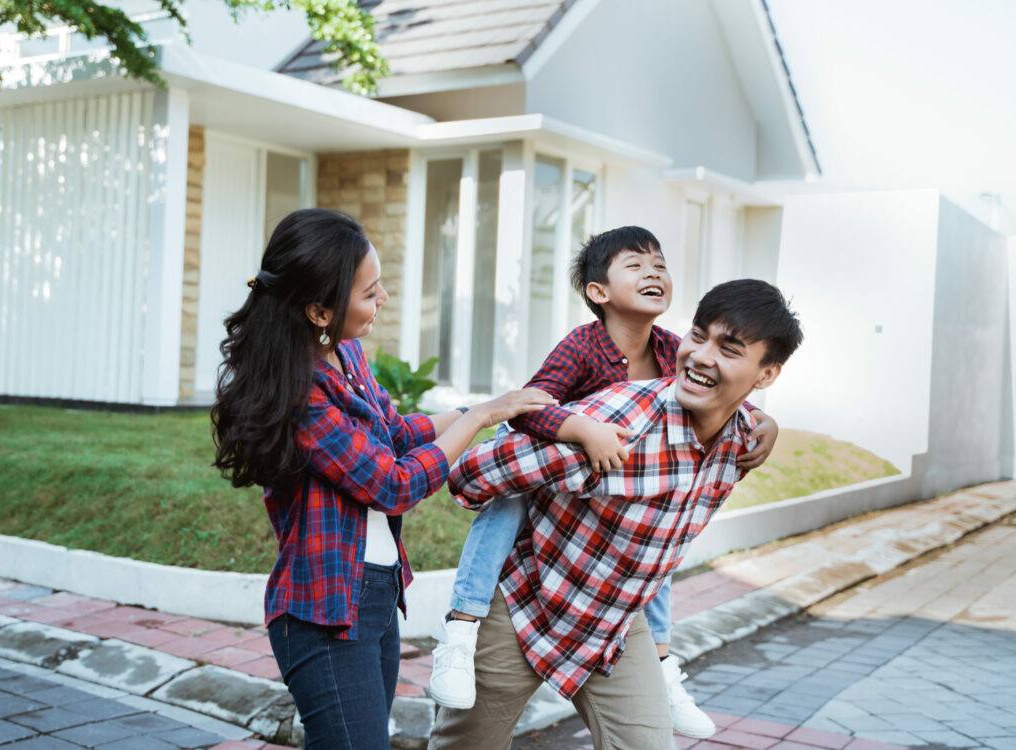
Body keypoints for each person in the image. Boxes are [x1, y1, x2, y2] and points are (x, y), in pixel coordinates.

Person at [209, 208, 555, 750]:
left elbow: (393, 432)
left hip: (376, 595)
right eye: (370, 293)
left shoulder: (345, 352)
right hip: (325, 613)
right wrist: (477, 420)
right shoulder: (300, 392)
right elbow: (391, 484)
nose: (384, 299)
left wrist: (488, 407)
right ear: (320, 310)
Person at [427, 227, 780, 739]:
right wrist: (581, 432)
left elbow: (721, 397)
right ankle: (462, 626)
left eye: (659, 264)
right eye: (699, 337)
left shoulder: (717, 410)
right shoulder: (594, 364)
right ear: (599, 292)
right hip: (531, 590)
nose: (701, 356)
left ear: (766, 375)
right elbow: (528, 411)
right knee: (466, 742)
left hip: (614, 612)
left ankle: (661, 663)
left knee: (660, 561)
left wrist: (767, 422)